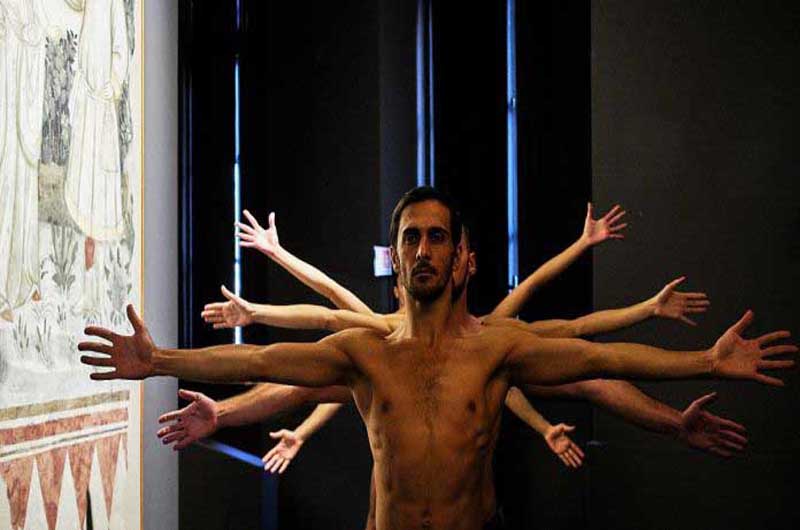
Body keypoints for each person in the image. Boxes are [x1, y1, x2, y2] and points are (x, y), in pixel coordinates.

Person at [79, 187, 795, 530]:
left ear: (460, 257)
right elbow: (267, 365)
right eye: (410, 239)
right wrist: (162, 360)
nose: (423, 249)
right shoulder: (364, 348)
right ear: (396, 260)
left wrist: (704, 363)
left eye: (437, 237)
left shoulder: (498, 347)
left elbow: (597, 362)